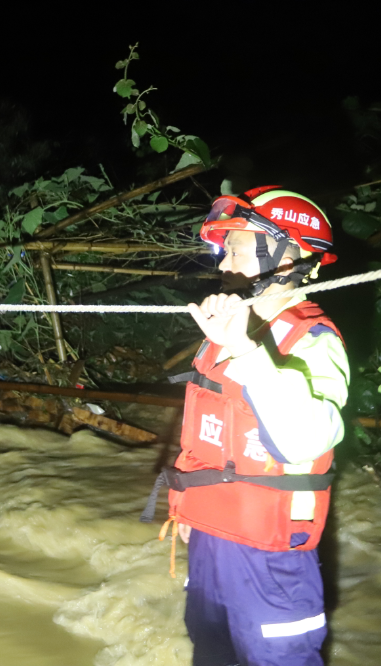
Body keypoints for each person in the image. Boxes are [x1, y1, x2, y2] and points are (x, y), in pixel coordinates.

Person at [143, 186, 349, 665]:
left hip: (270, 552)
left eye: (235, 249)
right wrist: (189, 509)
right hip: (212, 533)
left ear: (287, 253)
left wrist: (246, 352)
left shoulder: (312, 342)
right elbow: (205, 428)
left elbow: (306, 439)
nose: (224, 264)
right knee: (210, 651)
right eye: (225, 251)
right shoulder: (232, 325)